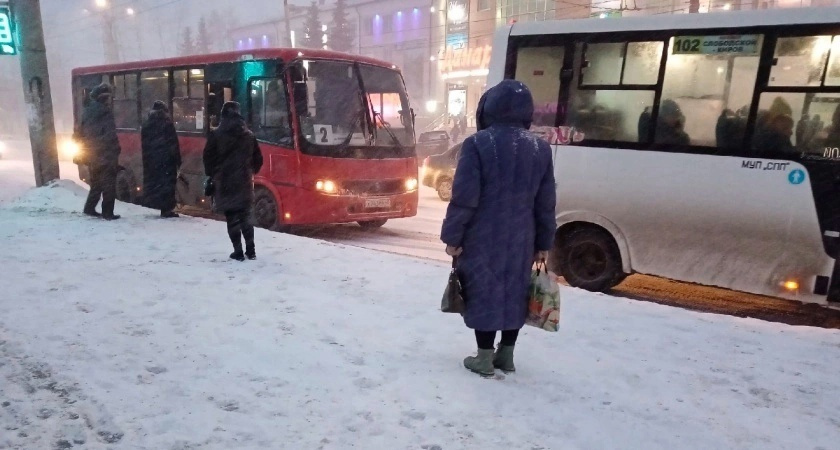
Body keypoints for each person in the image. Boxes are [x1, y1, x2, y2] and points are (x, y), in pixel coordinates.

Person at [440, 80, 556, 377]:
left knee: (483, 291)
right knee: (516, 292)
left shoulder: (478, 144)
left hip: (482, 236)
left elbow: (464, 198)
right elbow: (545, 203)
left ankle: (483, 357)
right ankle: (507, 355)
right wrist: (543, 242)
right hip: (522, 238)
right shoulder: (540, 148)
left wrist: (453, 237)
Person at [202, 102, 264, 261]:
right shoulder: (249, 135)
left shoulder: (216, 135)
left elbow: (207, 158)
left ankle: (238, 251)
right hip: (244, 181)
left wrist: (212, 173)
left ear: (223, 115)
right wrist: (250, 170)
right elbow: (259, 159)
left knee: (232, 217)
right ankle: (251, 251)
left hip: (225, 183)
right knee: (245, 217)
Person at [80, 83, 122, 220]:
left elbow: (80, 133)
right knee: (109, 185)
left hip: (92, 155)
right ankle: (108, 213)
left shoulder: (87, 112)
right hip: (105, 155)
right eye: (108, 98)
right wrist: (116, 149)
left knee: (96, 184)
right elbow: (110, 135)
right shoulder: (105, 112)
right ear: (103, 98)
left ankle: (89, 208)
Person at [141, 101, 182, 218]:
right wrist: (178, 161)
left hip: (152, 161)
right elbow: (173, 144)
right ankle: (166, 209)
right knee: (167, 185)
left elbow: (145, 145)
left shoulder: (147, 124)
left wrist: (148, 159)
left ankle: (159, 206)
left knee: (157, 185)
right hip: (166, 161)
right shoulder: (167, 124)